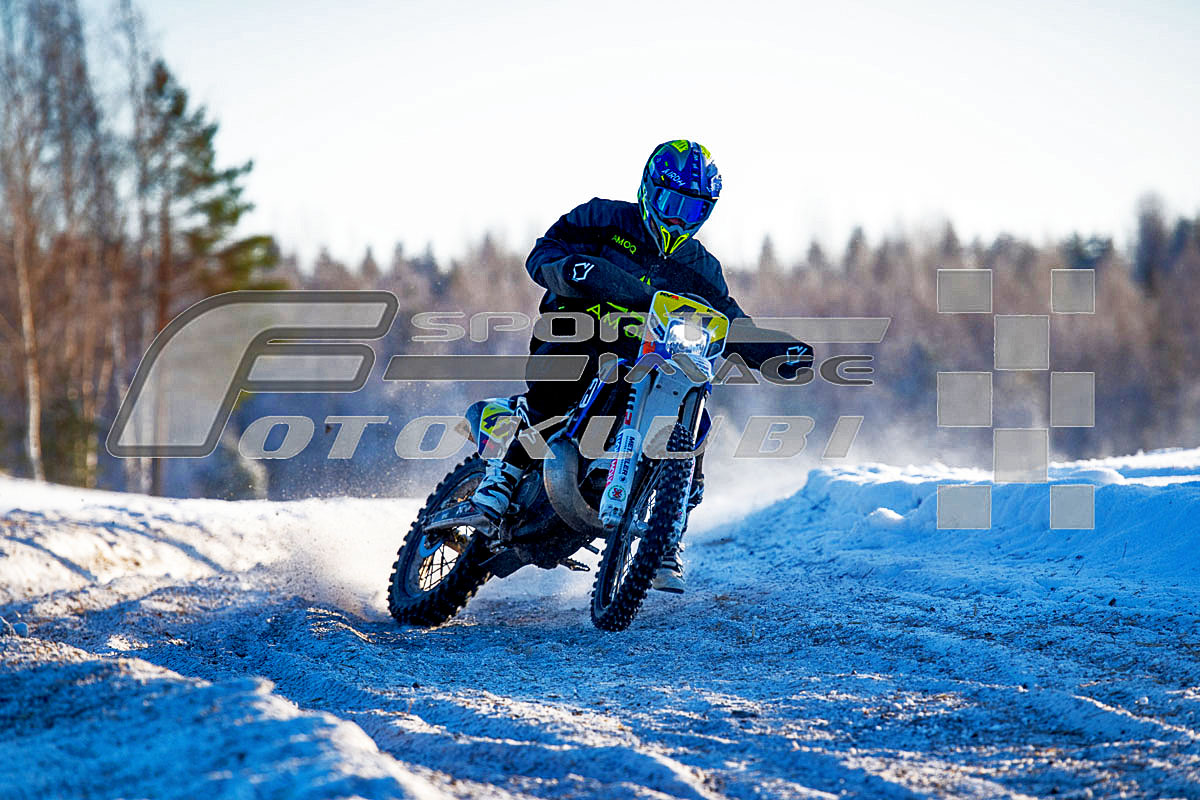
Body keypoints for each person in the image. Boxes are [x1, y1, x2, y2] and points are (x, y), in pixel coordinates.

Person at [470, 139, 812, 593]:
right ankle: (505, 474)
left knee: (695, 410)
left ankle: (667, 534)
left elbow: (730, 319)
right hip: (580, 331)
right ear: (649, 190)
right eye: (672, 204)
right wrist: (568, 270)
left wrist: (774, 350)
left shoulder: (702, 269)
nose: (679, 219)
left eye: (693, 210)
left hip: (652, 358)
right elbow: (545, 250)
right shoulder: (603, 218)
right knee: (564, 375)